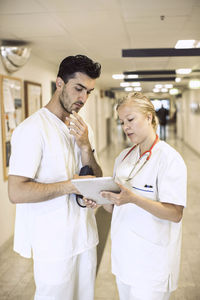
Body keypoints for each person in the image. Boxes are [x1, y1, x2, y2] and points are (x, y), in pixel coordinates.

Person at [8, 54, 102, 300]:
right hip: (53, 242)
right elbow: (16, 191)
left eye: (88, 92)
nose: (83, 98)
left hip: (85, 235)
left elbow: (96, 175)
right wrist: (71, 186)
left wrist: (85, 146)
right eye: (78, 89)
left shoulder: (83, 127)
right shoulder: (31, 130)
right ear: (59, 83)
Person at [85, 92, 187, 300]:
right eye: (122, 122)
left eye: (130, 119)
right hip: (125, 258)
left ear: (149, 117)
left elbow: (175, 213)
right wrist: (99, 199)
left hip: (153, 264)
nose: (126, 127)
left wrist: (134, 198)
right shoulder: (123, 157)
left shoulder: (169, 159)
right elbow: (115, 206)